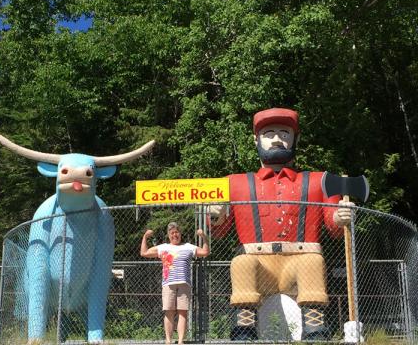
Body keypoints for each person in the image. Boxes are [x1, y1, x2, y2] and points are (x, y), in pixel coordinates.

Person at [210, 107, 353, 340]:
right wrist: (216, 215)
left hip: (300, 259)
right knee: (241, 263)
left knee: (313, 262)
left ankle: (314, 328)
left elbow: (333, 227)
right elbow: (219, 232)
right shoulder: (232, 183)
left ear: (296, 138)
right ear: (256, 139)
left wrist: (340, 217)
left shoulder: (322, 181)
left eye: (284, 133)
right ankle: (244, 329)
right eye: (269, 133)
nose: (276, 139)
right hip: (257, 261)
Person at [140, 222, 210, 345]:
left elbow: (205, 252)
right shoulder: (162, 247)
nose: (174, 235)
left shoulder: (189, 247)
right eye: (172, 233)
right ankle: (168, 341)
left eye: (176, 232)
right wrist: (145, 237)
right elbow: (144, 253)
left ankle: (181, 341)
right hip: (168, 284)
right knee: (169, 312)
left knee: (183, 312)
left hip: (184, 284)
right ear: (168, 235)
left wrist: (204, 237)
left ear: (180, 233)